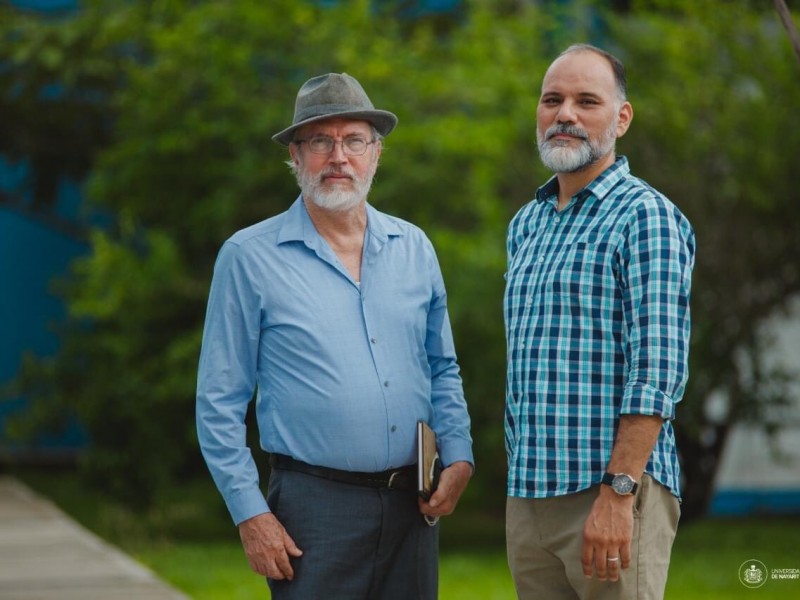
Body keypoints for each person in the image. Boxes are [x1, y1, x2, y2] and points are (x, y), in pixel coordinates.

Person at [196, 72, 473, 600]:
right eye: (321, 141)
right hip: (311, 511)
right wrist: (249, 513)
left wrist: (459, 453)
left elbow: (443, 367)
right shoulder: (249, 257)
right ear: (296, 157)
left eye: (354, 140)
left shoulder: (415, 247)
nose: (338, 157)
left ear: (376, 153)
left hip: (412, 505)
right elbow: (218, 399)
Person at [503, 44, 695, 600]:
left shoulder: (645, 215)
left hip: (610, 495)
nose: (565, 114)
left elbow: (657, 369)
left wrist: (618, 494)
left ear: (621, 118)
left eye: (587, 101)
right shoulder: (527, 224)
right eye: (551, 99)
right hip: (531, 498)